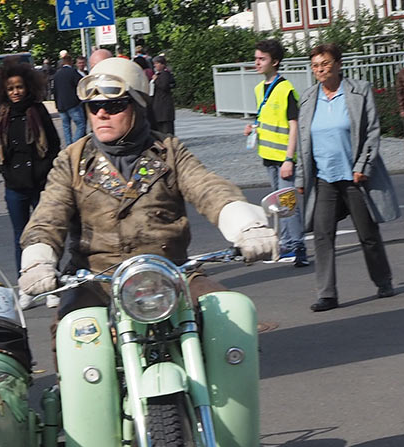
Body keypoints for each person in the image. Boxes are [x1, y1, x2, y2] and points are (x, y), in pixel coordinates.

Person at [18, 58, 276, 313]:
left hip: (170, 274)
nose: (101, 114)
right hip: (96, 280)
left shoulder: (169, 151)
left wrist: (247, 225)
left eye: (114, 105)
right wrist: (38, 259)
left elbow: (207, 187)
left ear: (139, 105)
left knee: (233, 312)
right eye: (93, 106)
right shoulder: (72, 159)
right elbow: (49, 215)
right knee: (74, 334)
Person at [294, 44, 399, 312]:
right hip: (323, 178)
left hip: (353, 176)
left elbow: (372, 132)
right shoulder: (307, 98)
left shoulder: (358, 91)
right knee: (322, 234)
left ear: (338, 64)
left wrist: (363, 165)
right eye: (315, 65)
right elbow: (303, 143)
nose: (320, 69)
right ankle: (327, 294)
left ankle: (383, 280)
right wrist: (300, 178)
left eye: (325, 64)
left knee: (368, 233)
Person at [0, 59, 61, 271]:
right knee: (20, 235)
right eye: (10, 88)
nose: (16, 92)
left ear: (27, 86)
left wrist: (45, 169)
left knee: (44, 233)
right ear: (4, 90)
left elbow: (53, 143)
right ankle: (26, 279)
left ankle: (49, 276)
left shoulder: (37, 110)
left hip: (40, 183)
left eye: (19, 87)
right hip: (14, 186)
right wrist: (6, 173)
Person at [244, 38, 309, 267]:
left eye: (262, 59)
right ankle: (288, 243)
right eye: (256, 58)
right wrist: (254, 128)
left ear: (276, 62)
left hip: (284, 157)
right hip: (268, 156)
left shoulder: (285, 89)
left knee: (287, 202)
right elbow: (268, 119)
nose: (257, 62)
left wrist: (289, 159)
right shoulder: (259, 89)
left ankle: (298, 246)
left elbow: (294, 126)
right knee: (277, 202)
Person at [51, 54, 86, 144]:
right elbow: (80, 84)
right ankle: (74, 143)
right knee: (81, 124)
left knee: (66, 127)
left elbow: (54, 90)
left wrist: (57, 104)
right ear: (71, 62)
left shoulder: (56, 74)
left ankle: (68, 145)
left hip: (61, 105)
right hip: (72, 103)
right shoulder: (73, 72)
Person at [149, 56, 176, 137]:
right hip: (158, 102)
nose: (155, 66)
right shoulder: (158, 74)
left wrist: (156, 80)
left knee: (166, 127)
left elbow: (164, 86)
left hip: (163, 103)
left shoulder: (165, 74)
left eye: (157, 63)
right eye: (154, 64)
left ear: (162, 64)